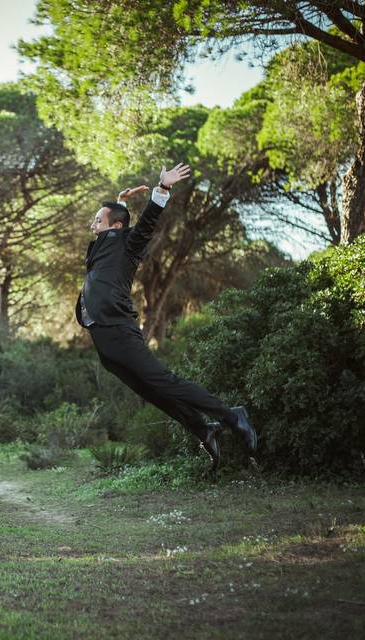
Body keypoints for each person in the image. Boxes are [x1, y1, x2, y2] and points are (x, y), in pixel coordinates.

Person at [75, 163, 257, 469]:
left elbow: (145, 224)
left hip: (118, 328)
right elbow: (104, 239)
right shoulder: (101, 248)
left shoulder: (127, 244)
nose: (92, 225)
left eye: (97, 221)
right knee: (151, 390)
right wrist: (119, 203)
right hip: (103, 335)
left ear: (116, 227)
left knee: (162, 380)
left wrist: (163, 189)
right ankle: (203, 429)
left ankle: (230, 415)